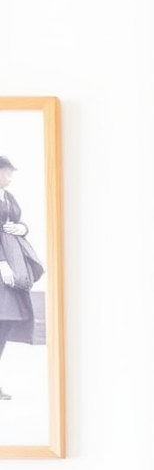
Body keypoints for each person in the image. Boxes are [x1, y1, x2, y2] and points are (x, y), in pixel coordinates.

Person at [0, 156, 45, 400]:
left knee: (4, 323)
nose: (9, 177)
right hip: (2, 265)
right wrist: (2, 263)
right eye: (6, 173)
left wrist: (23, 228)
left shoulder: (8, 197)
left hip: (11, 265)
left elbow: (15, 221)